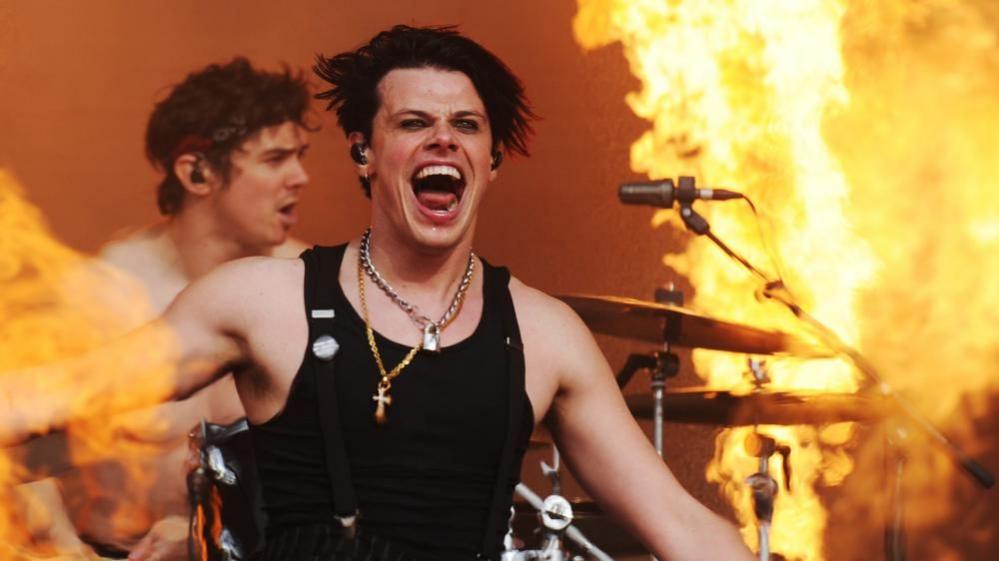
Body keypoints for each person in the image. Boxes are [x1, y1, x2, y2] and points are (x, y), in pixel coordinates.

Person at [2, 26, 754, 561]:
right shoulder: (263, 299)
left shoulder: (543, 332)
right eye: (412, 123)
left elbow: (681, 526)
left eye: (466, 125)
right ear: (365, 152)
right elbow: (52, 397)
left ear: (492, 160)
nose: (442, 140)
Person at [12, 57, 312, 560]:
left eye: (300, 156)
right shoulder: (102, 295)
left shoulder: (304, 290)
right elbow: (18, 448)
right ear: (196, 172)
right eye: (275, 159)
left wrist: (204, 534)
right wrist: (63, 547)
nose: (300, 177)